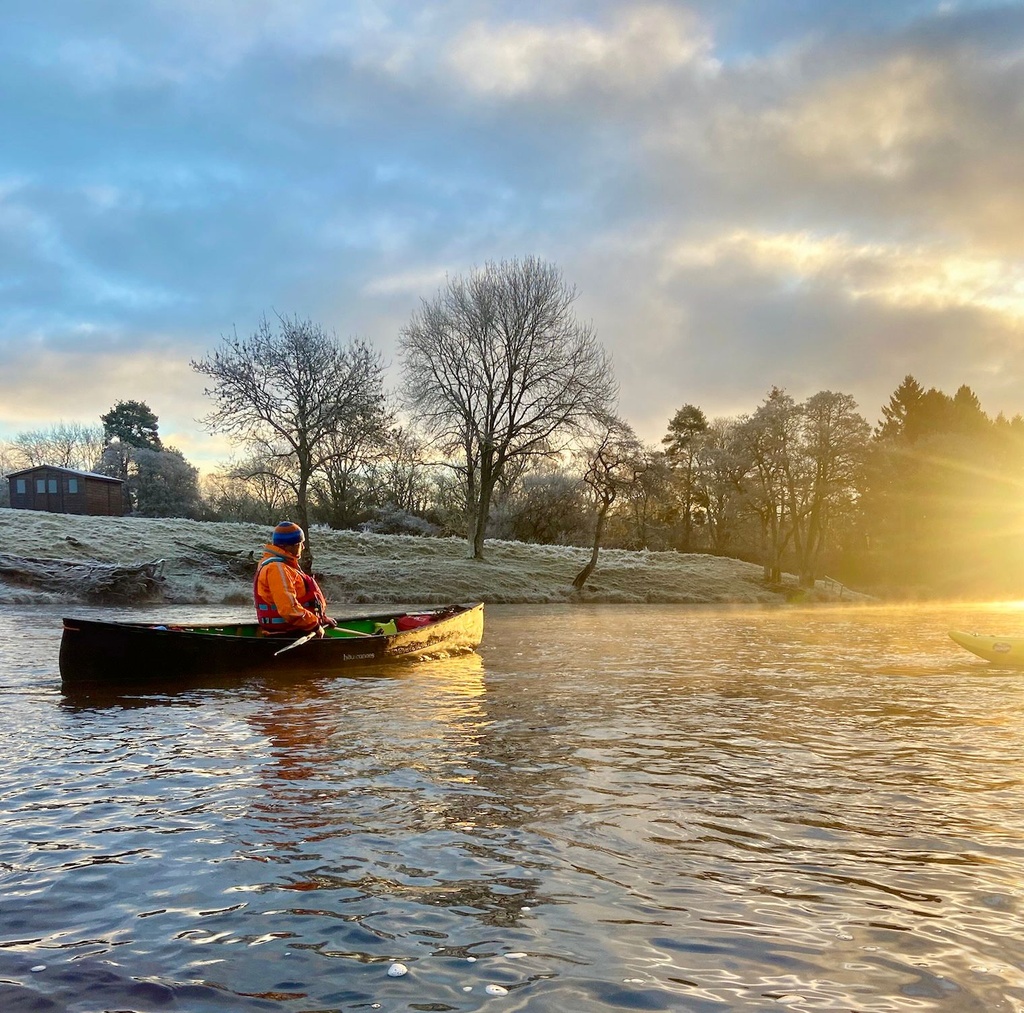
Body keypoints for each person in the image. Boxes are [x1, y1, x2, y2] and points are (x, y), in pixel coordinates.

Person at [253, 521, 337, 636]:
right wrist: (314, 625)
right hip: (287, 633)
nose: (302, 547)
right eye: (300, 544)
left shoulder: (284, 565)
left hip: (298, 628)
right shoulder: (277, 569)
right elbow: (288, 609)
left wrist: (321, 619)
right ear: (287, 546)